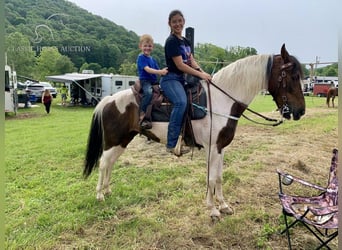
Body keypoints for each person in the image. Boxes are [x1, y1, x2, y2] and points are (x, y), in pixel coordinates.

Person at [160, 9, 212, 156]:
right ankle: (171, 144)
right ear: (169, 24)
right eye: (174, 21)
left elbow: (191, 61)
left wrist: (204, 74)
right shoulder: (171, 41)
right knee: (181, 103)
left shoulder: (185, 41)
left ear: (184, 21)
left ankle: (187, 137)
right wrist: (200, 74)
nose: (177, 24)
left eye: (179, 21)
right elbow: (181, 65)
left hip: (181, 79)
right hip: (171, 79)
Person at [137, 34, 168, 129]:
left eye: (149, 46)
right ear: (140, 46)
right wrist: (160, 71)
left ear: (152, 47)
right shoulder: (141, 58)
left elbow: (158, 71)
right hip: (145, 81)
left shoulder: (152, 59)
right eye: (145, 46)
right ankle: (142, 112)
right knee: (148, 92)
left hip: (154, 82)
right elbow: (148, 69)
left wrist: (166, 70)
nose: (147, 48)